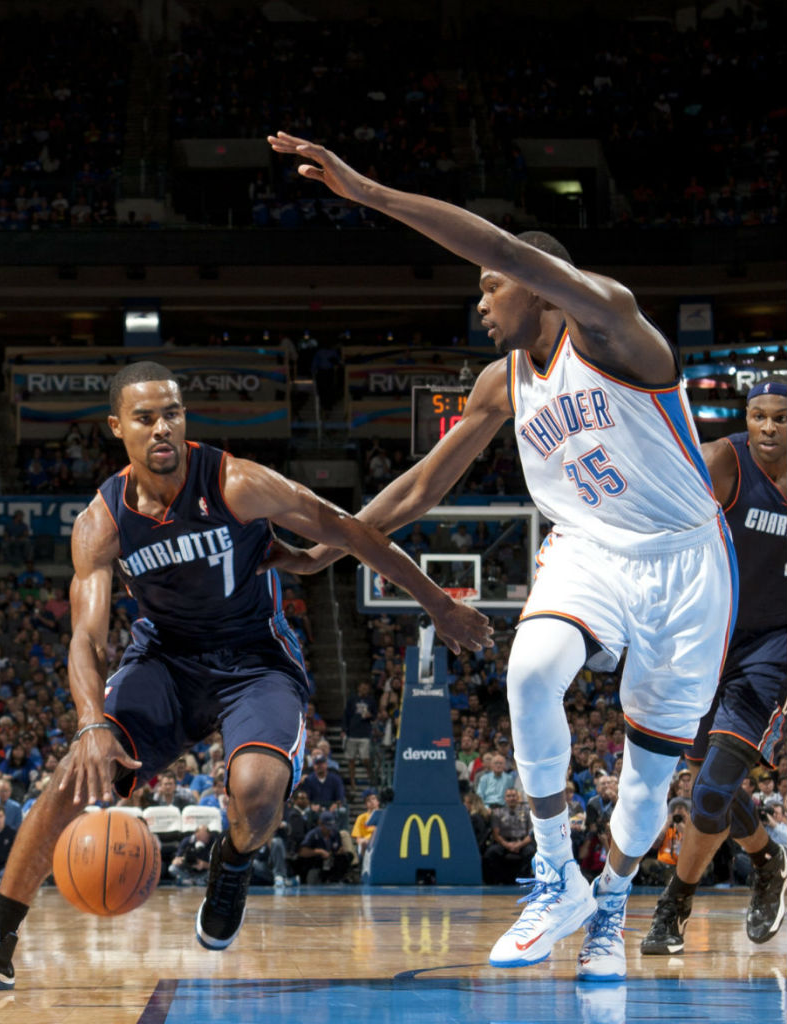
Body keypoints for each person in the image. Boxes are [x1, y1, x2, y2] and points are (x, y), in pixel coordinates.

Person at [266, 131, 736, 980]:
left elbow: (499, 242)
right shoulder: (500, 381)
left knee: (644, 786)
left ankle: (612, 907)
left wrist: (368, 192)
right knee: (529, 670)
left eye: (490, 285)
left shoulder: (615, 328)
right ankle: (557, 877)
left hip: (684, 563)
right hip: (590, 548)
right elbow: (418, 488)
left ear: (539, 285)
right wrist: (327, 548)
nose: (480, 301)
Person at [0, 360, 491, 994]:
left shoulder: (237, 483)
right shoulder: (103, 521)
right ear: (117, 427)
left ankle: (232, 866)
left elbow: (347, 530)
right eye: (145, 418)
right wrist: (92, 723)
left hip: (255, 660)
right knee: (73, 776)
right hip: (166, 662)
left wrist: (436, 601)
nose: (162, 429)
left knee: (257, 790)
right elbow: (86, 638)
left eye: (172, 413)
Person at [641, 379, 787, 955]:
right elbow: (656, 510)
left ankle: (674, 907)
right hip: (705, 638)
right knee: (710, 788)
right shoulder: (722, 462)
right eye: (760, 416)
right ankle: (769, 860)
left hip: (771, 647)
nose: (770, 428)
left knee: (709, 792)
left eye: (781, 417)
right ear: (745, 419)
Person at [341, 681, 377, 794]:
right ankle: (352, 782)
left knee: (365, 759)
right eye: (362, 687)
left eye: (366, 688)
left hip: (365, 733)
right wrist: (344, 730)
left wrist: (370, 716)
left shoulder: (371, 701)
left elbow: (375, 716)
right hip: (352, 733)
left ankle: (370, 776)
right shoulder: (352, 699)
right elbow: (346, 714)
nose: (364, 690)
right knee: (351, 760)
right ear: (358, 688)